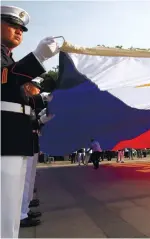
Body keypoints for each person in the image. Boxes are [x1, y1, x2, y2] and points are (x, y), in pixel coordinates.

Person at [1, 5, 59, 238]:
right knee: (5, 205)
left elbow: (20, 98)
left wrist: (46, 100)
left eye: (22, 29)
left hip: (15, 136)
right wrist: (39, 57)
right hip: (6, 136)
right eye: (13, 26)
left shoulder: (7, 56)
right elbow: (6, 80)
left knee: (11, 207)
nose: (19, 32)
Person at [20, 78, 54, 228]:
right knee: (25, 179)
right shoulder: (23, 98)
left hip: (31, 139)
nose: (37, 90)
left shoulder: (28, 101)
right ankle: (21, 214)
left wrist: (43, 120)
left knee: (30, 178)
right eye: (36, 88)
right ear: (28, 86)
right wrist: (45, 97)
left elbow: (34, 120)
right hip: (24, 140)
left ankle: (25, 209)